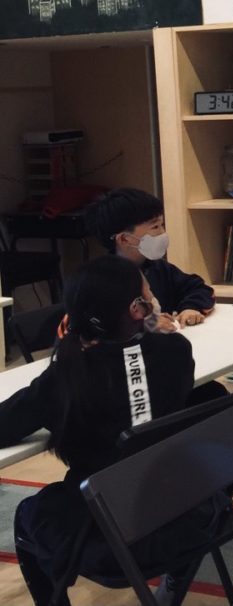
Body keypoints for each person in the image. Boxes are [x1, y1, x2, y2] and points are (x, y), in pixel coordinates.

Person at [0, 256, 206, 606]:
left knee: (28, 514)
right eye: (149, 293)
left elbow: (6, 424)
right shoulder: (176, 351)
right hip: (184, 511)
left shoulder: (68, 375)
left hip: (108, 527)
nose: (154, 298)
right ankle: (173, 587)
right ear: (137, 309)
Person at [86, 188, 215, 328]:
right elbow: (99, 323)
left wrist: (190, 307)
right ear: (124, 239)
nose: (163, 232)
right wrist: (144, 324)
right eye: (155, 227)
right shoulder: (100, 281)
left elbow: (198, 288)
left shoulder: (158, 268)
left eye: (162, 225)